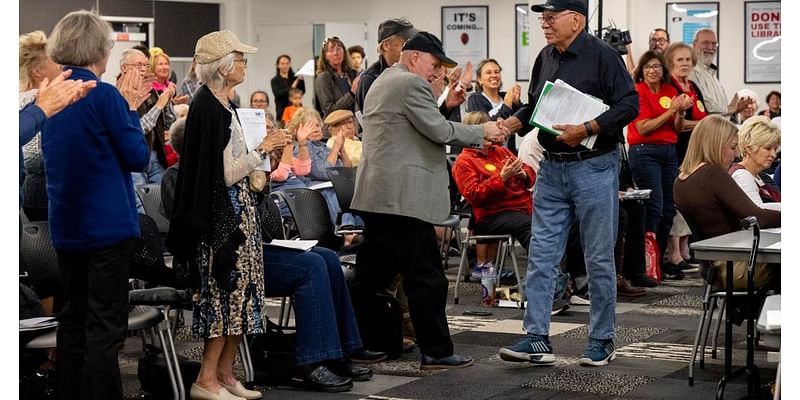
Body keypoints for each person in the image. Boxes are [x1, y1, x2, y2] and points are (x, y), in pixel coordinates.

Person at [350, 30, 507, 370]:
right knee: (427, 277)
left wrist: (444, 104)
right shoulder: (410, 83)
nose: (437, 73)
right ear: (415, 57)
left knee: (371, 278)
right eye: (435, 65)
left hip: (381, 195)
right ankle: (435, 351)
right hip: (403, 198)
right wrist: (484, 132)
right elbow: (438, 131)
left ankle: (356, 341)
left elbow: (415, 124)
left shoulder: (386, 79)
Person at [496, 0, 638, 367]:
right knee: (542, 255)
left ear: (575, 20)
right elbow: (535, 106)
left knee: (598, 257)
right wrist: (512, 123)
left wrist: (589, 128)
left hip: (593, 165)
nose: (543, 22)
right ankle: (537, 336)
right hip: (552, 168)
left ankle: (602, 339)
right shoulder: (546, 56)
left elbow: (629, 105)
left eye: (551, 16)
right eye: (541, 17)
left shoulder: (604, 56)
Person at [166, 30, 288, 400]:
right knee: (225, 300)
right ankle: (206, 379)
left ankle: (226, 373)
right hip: (223, 222)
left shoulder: (225, 104)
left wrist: (265, 158)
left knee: (244, 296)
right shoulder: (209, 108)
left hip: (240, 215)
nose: (246, 64)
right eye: (240, 58)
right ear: (224, 66)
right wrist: (261, 149)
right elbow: (223, 175)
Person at [41, 10, 148, 399]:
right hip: (106, 228)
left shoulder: (51, 96)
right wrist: (132, 109)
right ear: (97, 50)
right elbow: (137, 157)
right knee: (105, 329)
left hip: (67, 227)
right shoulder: (104, 96)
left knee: (72, 324)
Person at [673, 115, 780, 291]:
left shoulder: (680, 181)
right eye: (732, 147)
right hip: (738, 267)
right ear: (716, 144)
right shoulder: (713, 174)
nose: (736, 154)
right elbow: (757, 218)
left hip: (714, 268)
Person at [627, 50, 692, 280]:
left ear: (663, 70)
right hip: (644, 152)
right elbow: (643, 127)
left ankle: (659, 263)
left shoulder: (670, 91)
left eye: (656, 66)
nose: (652, 71)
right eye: (647, 67)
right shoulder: (638, 92)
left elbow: (676, 128)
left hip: (668, 152)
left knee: (667, 209)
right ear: (641, 72)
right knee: (653, 207)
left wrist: (681, 112)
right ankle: (645, 262)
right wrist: (672, 110)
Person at [452, 111, 535, 279]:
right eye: (488, 135)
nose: (492, 140)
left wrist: (522, 174)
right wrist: (502, 178)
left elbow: (529, 174)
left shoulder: (499, 151)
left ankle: (561, 276)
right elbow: (474, 195)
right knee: (534, 228)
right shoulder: (464, 161)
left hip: (520, 208)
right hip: (492, 215)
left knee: (557, 222)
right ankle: (544, 278)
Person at [663, 41, 709, 275]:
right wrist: (703, 124)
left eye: (687, 60)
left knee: (689, 202)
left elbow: (704, 114)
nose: (684, 63)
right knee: (676, 202)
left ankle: (684, 248)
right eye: (679, 59)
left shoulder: (692, 85)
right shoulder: (669, 86)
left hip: (695, 152)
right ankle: (674, 252)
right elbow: (677, 124)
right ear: (670, 62)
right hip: (676, 150)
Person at [354, 18, 418, 112]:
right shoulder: (370, 79)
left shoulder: (414, 72)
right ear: (386, 46)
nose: (413, 48)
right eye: (406, 43)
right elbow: (372, 121)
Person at [689, 28, 753, 117]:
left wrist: (735, 109)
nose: (710, 48)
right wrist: (730, 109)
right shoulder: (691, 71)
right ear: (694, 44)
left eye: (714, 44)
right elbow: (706, 105)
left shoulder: (711, 73)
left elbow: (721, 109)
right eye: (705, 43)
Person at [466, 59, 522, 154]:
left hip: (508, 154)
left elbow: (522, 127)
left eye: (497, 72)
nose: (494, 75)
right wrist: (506, 106)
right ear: (480, 80)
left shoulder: (506, 96)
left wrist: (517, 104)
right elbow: (485, 128)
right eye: (488, 72)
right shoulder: (475, 98)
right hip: (487, 155)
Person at [729, 116, 780, 210]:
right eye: (768, 148)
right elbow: (756, 211)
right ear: (748, 148)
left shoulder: (765, 177)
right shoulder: (741, 175)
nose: (773, 154)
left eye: (775, 149)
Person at [315, 36, 359, 117]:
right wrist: (351, 94)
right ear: (325, 56)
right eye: (331, 50)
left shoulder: (352, 74)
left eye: (339, 49)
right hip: (336, 127)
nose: (336, 53)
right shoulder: (323, 78)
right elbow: (329, 110)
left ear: (344, 52)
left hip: (354, 124)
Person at [271, 54, 305, 124]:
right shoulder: (275, 80)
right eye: (282, 63)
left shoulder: (295, 77)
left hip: (297, 111)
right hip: (282, 112)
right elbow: (278, 94)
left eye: (287, 63)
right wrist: (292, 87)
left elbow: (302, 91)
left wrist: (301, 80)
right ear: (278, 65)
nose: (285, 66)